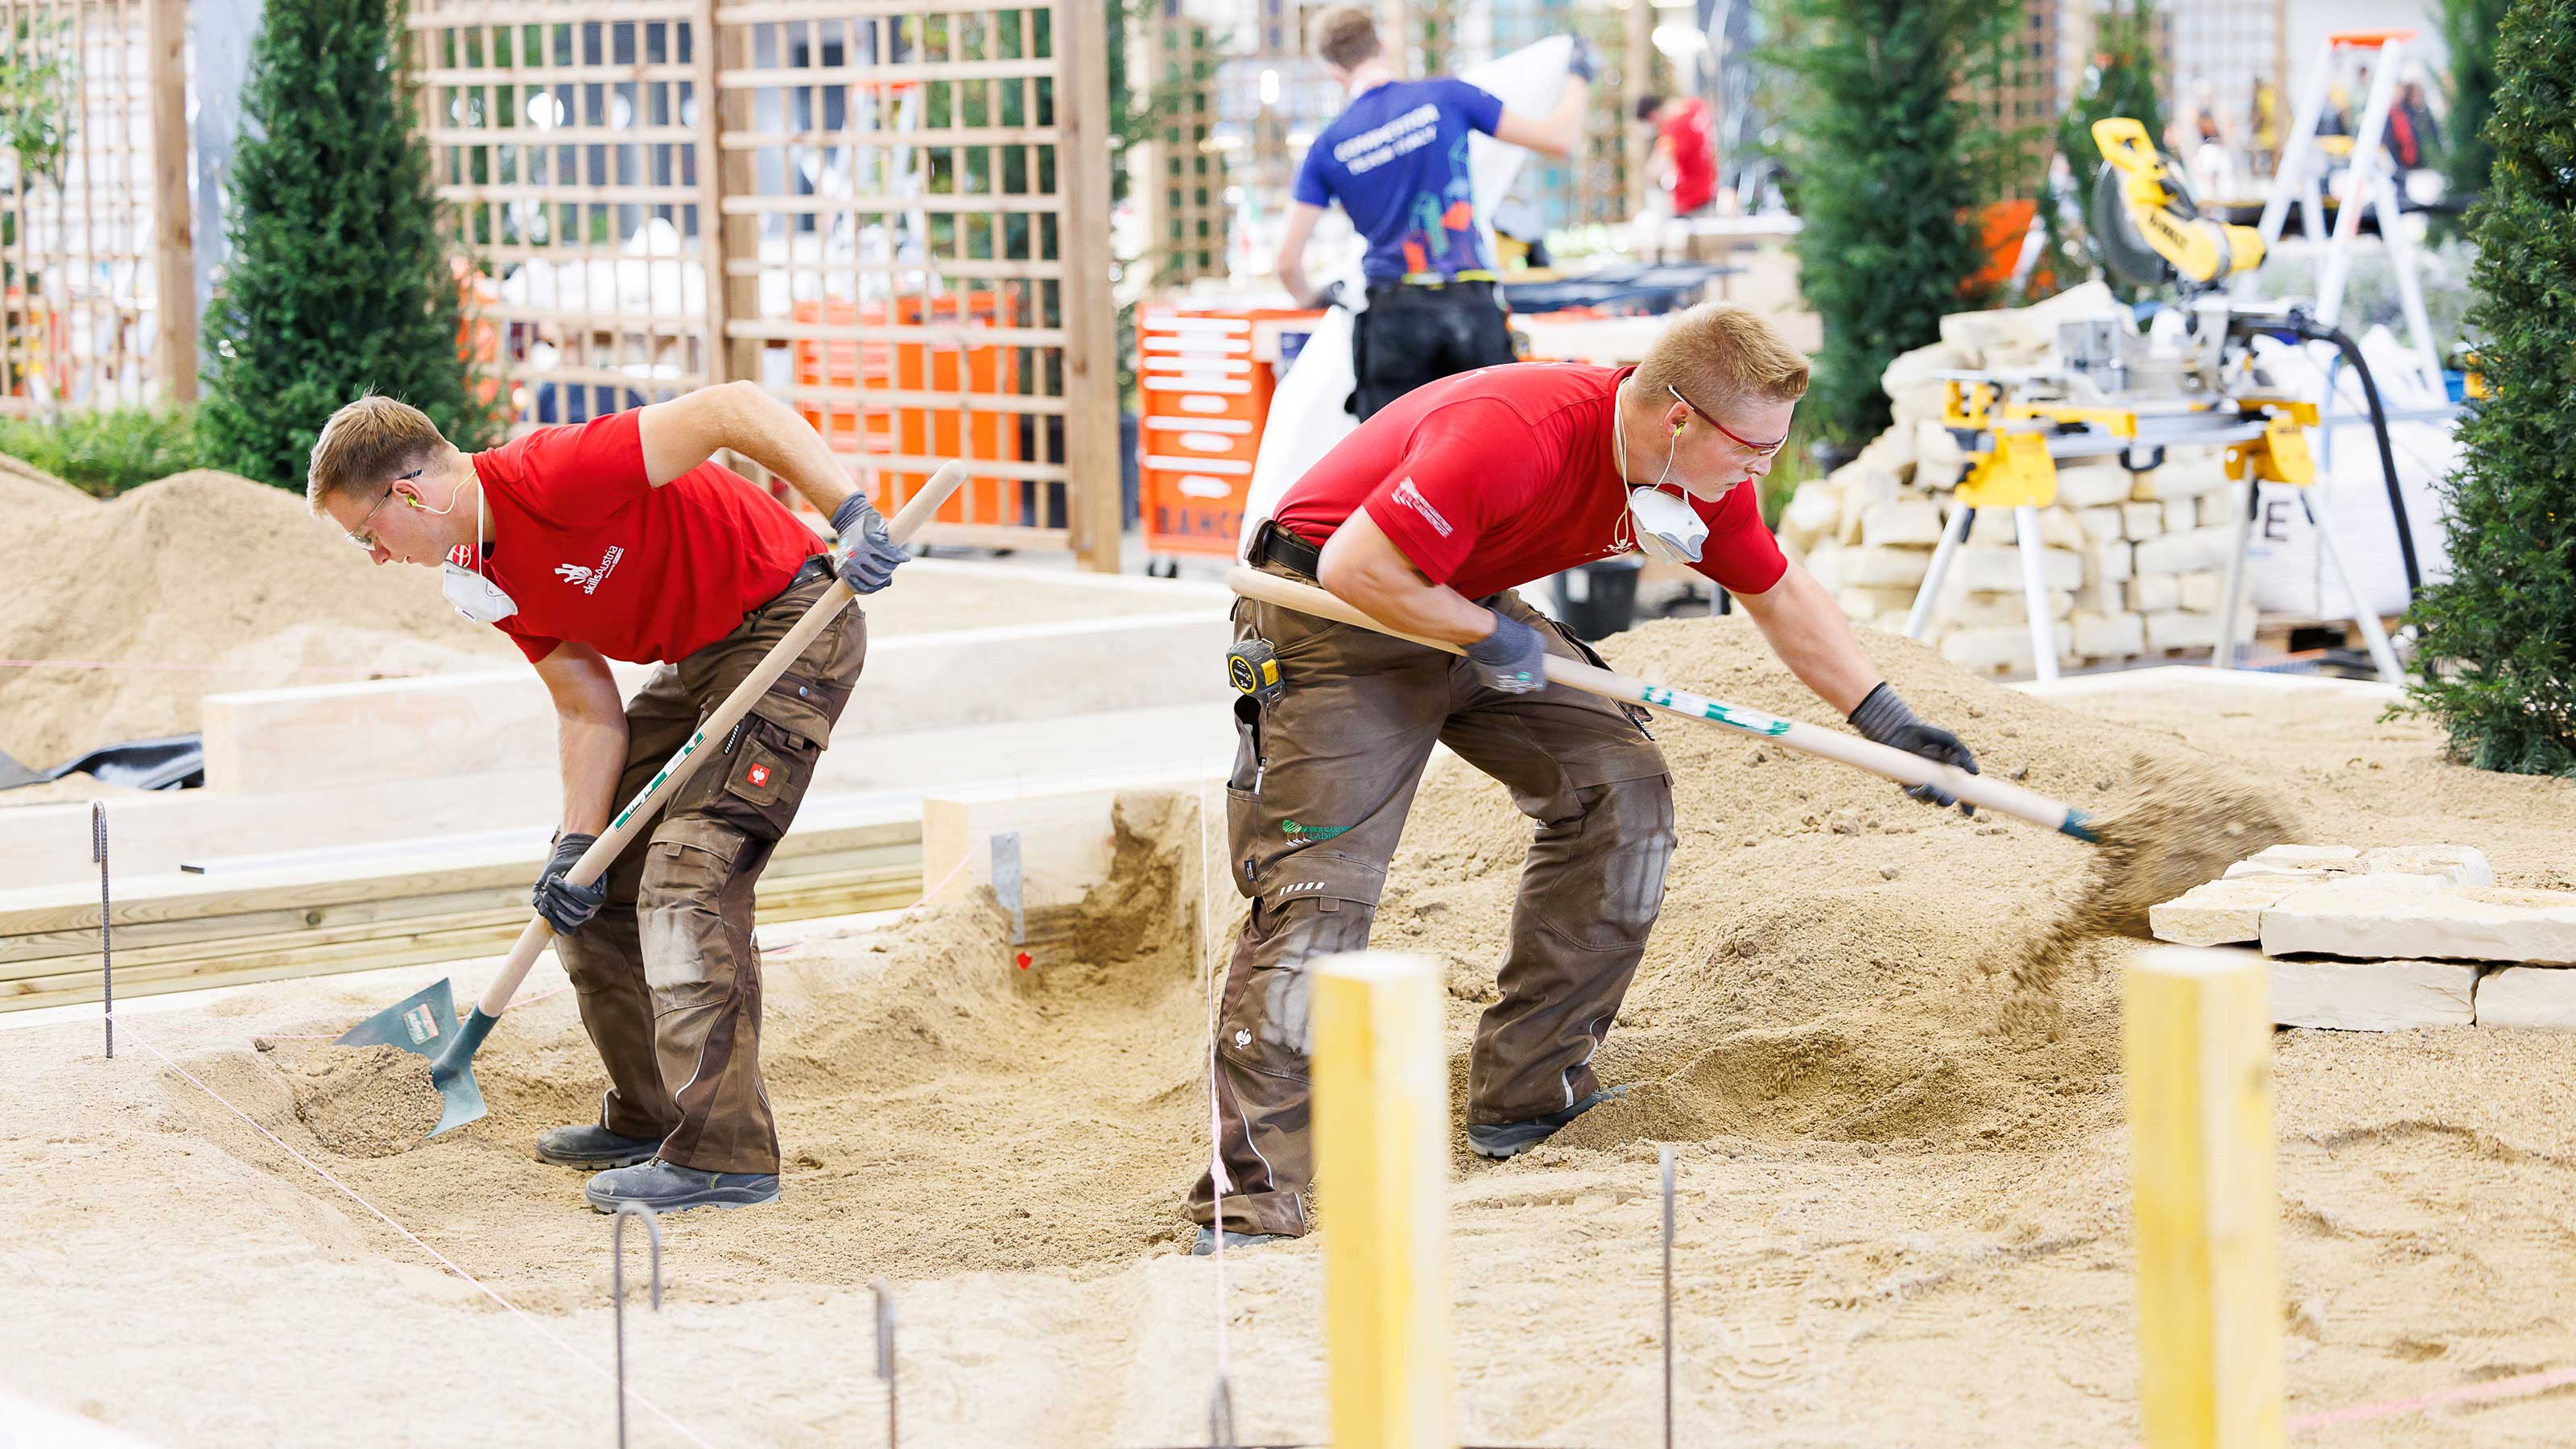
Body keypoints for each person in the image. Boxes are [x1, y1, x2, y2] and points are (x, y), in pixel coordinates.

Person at [1193, 304, 1979, 1253]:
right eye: (1753, 448)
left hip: (1460, 602)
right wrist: (1490, 638)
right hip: (1331, 610)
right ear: (1678, 418)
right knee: (1320, 895)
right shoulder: (1511, 436)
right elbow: (1363, 564)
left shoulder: (1700, 477)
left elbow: (1776, 592)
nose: (1763, 468)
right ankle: (1250, 1203)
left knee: (1624, 795)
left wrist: (1882, 719)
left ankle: (1527, 1095)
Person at [303, 384, 908, 1213]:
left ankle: (724, 1155)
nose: (376, 555)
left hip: (789, 621)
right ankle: (652, 1113)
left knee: (687, 878)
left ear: (408, 494)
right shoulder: (480, 571)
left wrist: (849, 510)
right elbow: (586, 707)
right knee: (590, 890)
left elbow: (731, 407)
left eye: (369, 533)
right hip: (699, 658)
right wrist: (574, 846)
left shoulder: (554, 473)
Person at [1274, 5, 1591, 420]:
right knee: (1492, 446)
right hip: (1471, 305)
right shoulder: (1447, 96)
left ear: (1333, 70)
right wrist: (1579, 76)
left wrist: (1312, 297)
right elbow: (1558, 138)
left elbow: (1285, 263)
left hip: (1393, 320)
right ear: (1382, 46)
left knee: (1400, 465)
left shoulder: (1328, 147)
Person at [1636, 92, 1719, 218]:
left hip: (1693, 203)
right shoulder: (1696, 106)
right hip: (1710, 191)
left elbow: (1657, 169)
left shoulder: (1673, 129)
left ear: (1652, 116)